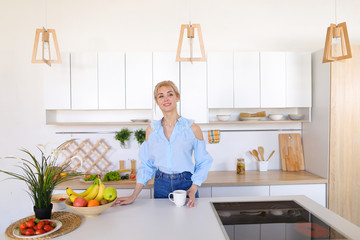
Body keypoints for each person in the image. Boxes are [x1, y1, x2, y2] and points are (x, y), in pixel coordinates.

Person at [113, 80, 213, 207]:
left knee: (188, 223)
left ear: (177, 97)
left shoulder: (192, 128)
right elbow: (146, 165)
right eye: (161, 96)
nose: (166, 98)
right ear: (157, 101)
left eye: (170, 94)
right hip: (161, 183)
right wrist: (133, 195)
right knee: (162, 223)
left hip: (186, 184)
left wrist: (194, 187)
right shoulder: (151, 130)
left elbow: (203, 161)